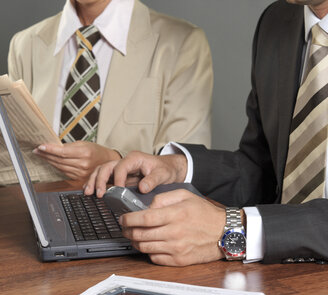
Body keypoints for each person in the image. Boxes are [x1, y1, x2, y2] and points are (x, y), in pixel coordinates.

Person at [85, 0, 328, 267]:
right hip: (281, 275)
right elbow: (262, 170)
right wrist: (179, 169)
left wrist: (234, 230)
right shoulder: (279, 21)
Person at [7, 0, 213, 181]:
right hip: (37, 213)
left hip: (133, 216)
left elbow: (183, 168)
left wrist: (113, 160)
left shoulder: (182, 44)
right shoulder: (24, 45)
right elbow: (14, 157)